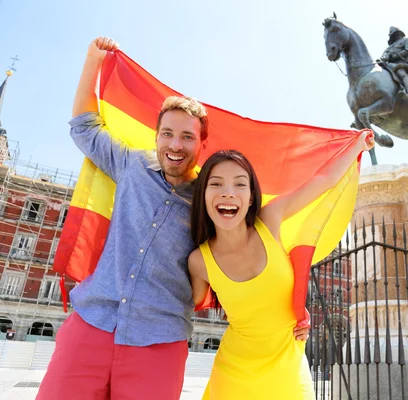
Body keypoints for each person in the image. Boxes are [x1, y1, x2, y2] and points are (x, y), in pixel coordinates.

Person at [36, 37, 209, 399]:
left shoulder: (210, 200)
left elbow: (256, 239)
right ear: (156, 135)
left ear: (201, 144)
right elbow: (84, 127)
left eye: (187, 137)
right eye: (168, 134)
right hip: (92, 323)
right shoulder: (133, 165)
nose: (175, 145)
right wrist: (92, 61)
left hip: (160, 339)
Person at [188, 131, 374, 399]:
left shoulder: (270, 219)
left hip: (289, 368)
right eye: (216, 184)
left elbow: (323, 180)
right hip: (232, 376)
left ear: (251, 197)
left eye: (240, 184)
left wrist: (358, 144)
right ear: (203, 196)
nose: (228, 193)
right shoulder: (198, 261)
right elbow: (182, 306)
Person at [380, 26, 408, 102]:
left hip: (401, 63)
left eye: (397, 34)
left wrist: (395, 56)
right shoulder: (388, 48)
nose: (397, 36)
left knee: (401, 73)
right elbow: (383, 56)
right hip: (388, 65)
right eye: (395, 35)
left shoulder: (406, 40)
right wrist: (384, 58)